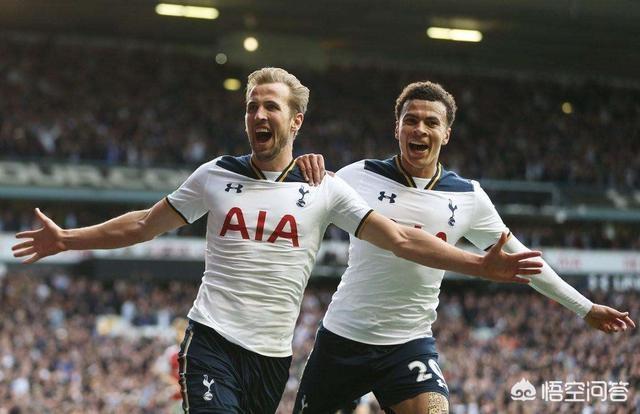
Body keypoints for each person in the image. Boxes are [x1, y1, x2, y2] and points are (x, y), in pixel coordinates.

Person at [11, 68, 542, 414]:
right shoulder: (214, 175)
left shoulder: (324, 189)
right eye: (252, 106)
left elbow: (402, 239)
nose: (259, 115)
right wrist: (68, 239)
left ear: (296, 120)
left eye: (270, 107)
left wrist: (480, 266)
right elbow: (143, 225)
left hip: (271, 358)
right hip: (211, 340)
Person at [293, 81, 636, 414]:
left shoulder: (468, 196)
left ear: (446, 133)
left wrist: (585, 307)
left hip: (408, 343)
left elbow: (524, 260)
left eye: (432, 122)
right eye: (411, 120)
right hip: (343, 337)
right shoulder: (358, 176)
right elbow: (296, 198)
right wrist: (300, 166)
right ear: (397, 128)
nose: (420, 129)